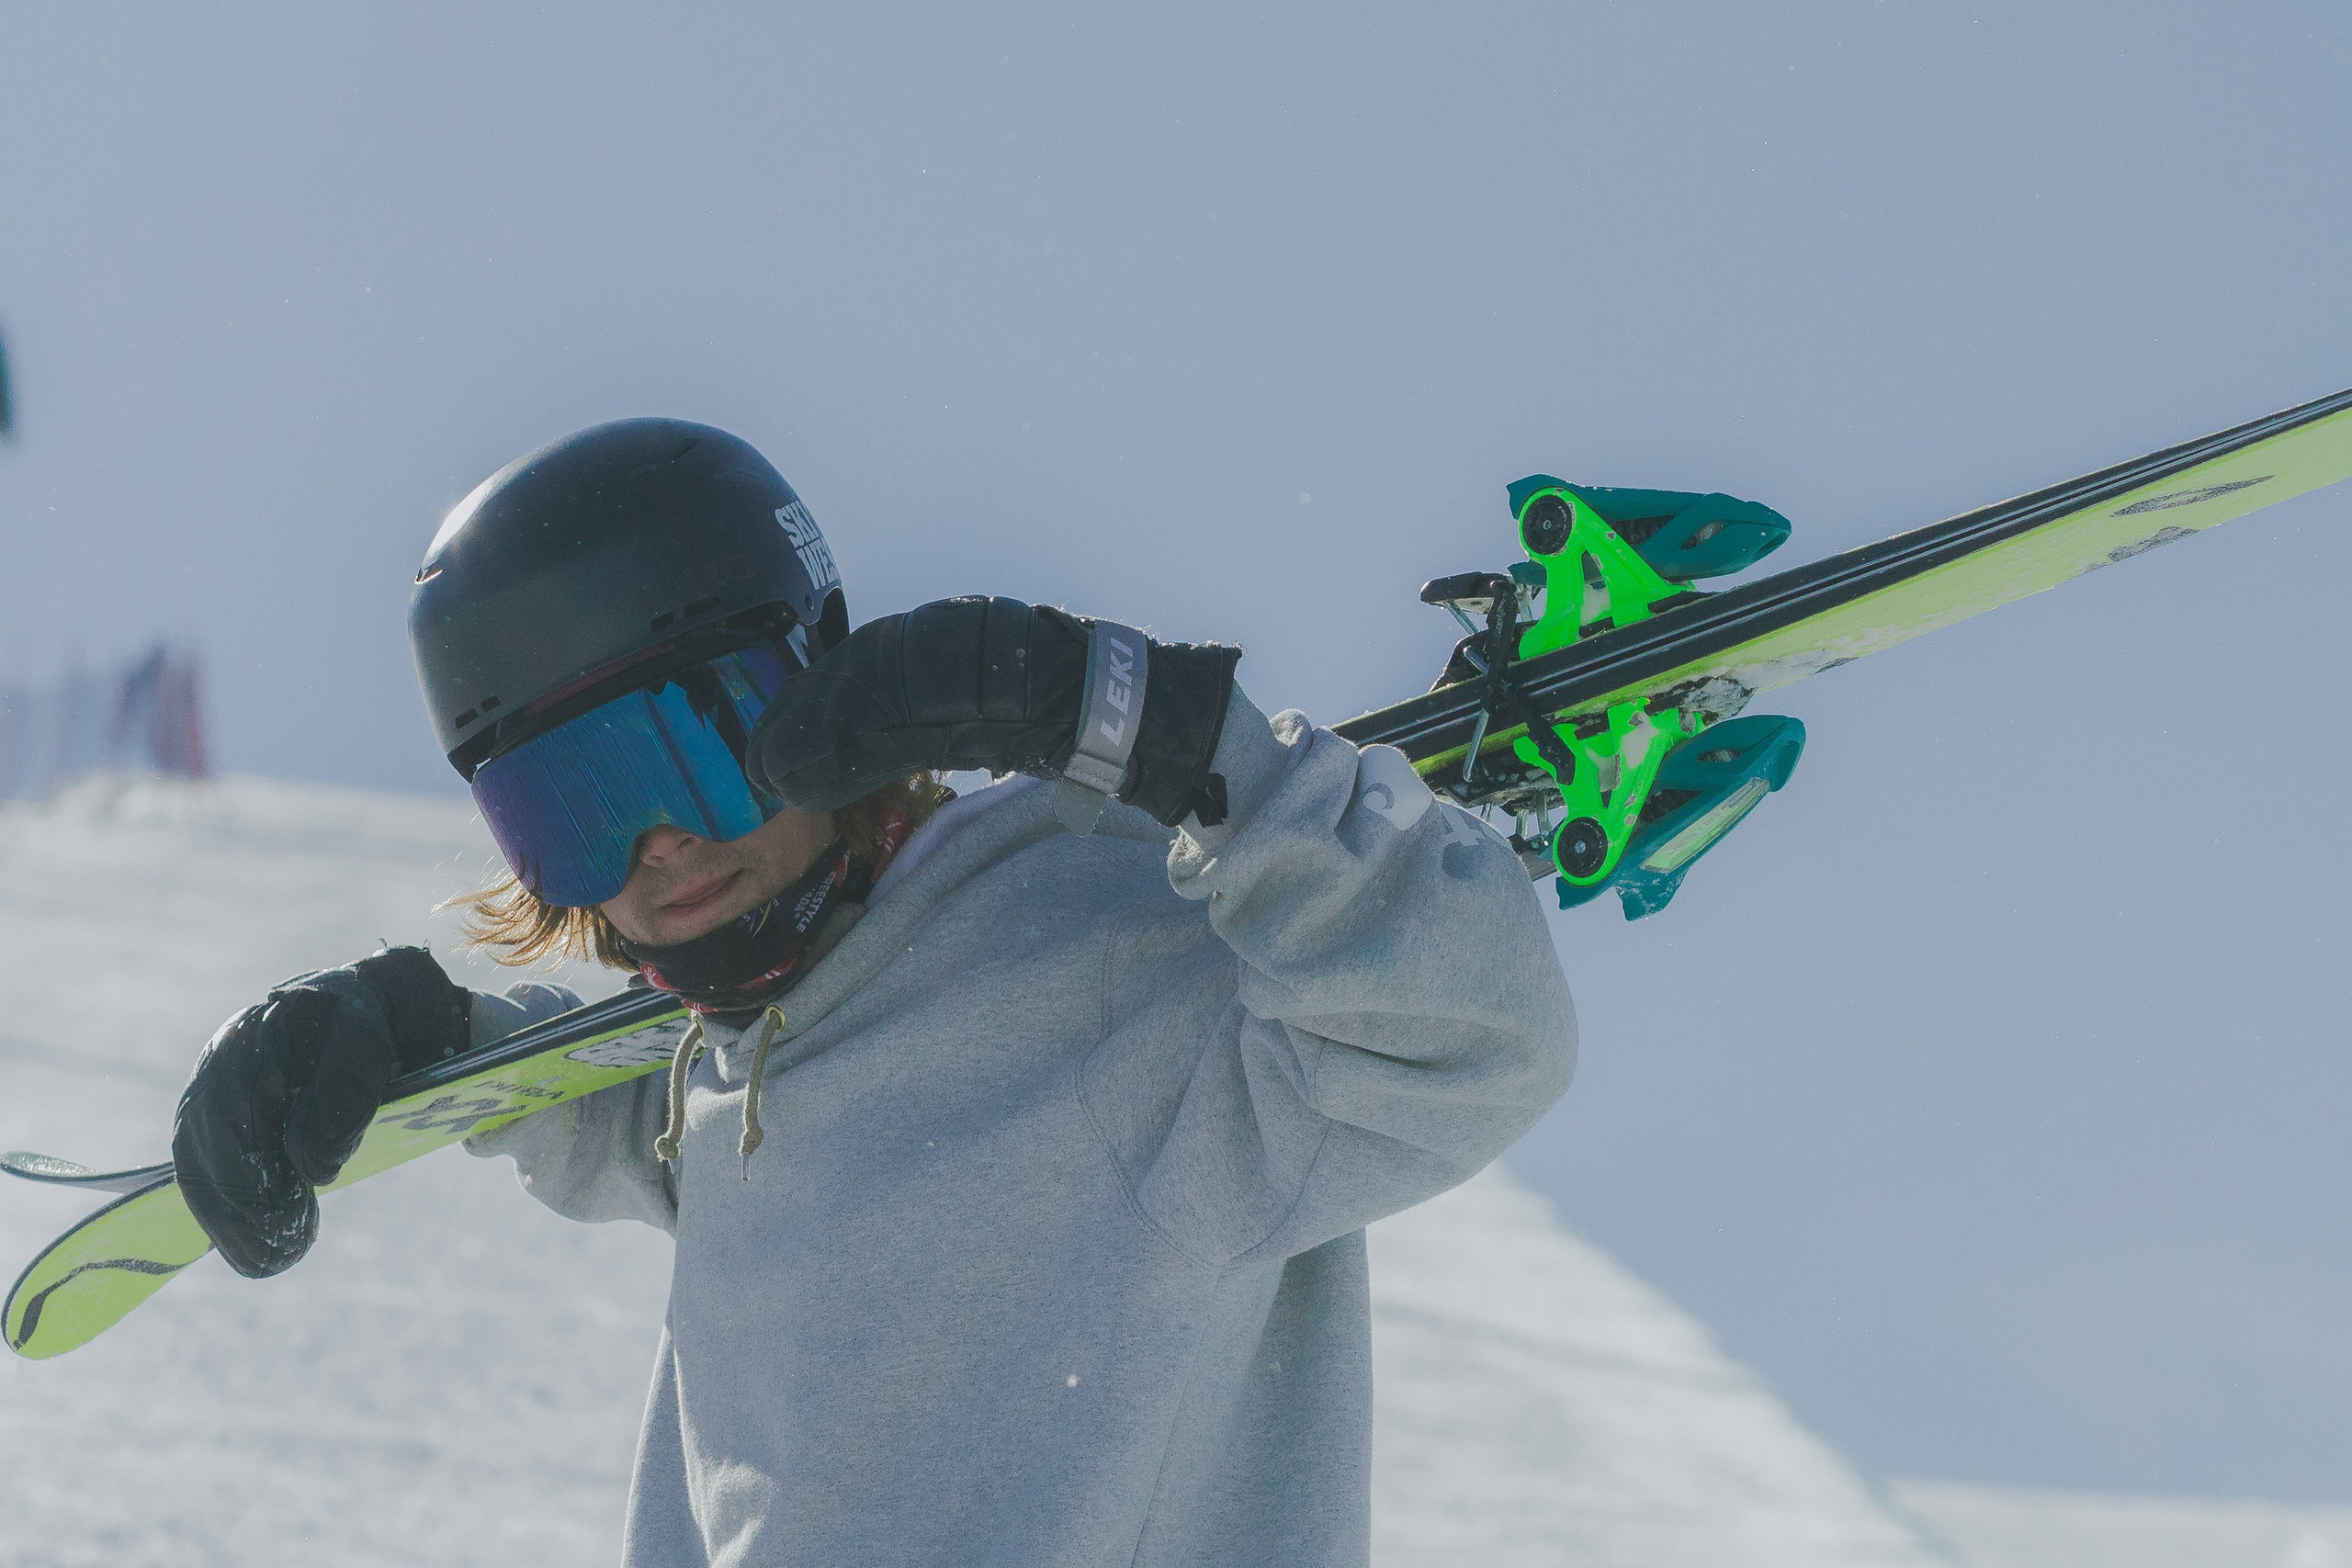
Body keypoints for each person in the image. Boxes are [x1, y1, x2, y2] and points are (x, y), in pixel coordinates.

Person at [171, 418, 1577, 1567]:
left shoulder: (1102, 963)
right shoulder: (740, 1063)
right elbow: (698, 1131)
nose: (658, 848)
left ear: (813, 689)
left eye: (691, 747)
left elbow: (1472, 1041)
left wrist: (1154, 732)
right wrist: (429, 1036)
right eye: (571, 809)